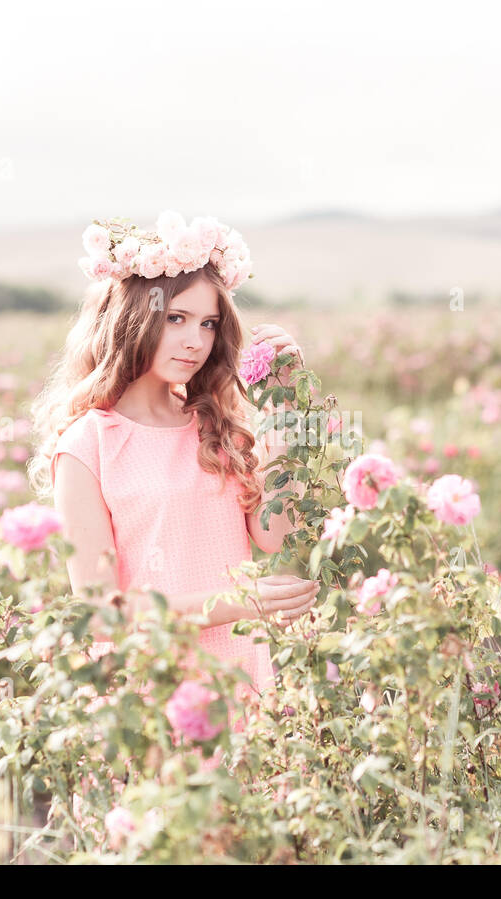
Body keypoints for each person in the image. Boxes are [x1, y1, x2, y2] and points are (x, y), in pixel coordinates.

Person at [28, 211, 319, 710]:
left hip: (240, 676)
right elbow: (101, 613)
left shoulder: (217, 425)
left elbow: (276, 535)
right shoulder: (88, 444)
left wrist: (285, 411)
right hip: (150, 692)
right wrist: (235, 604)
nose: (195, 341)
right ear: (132, 319)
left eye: (208, 324)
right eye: (176, 319)